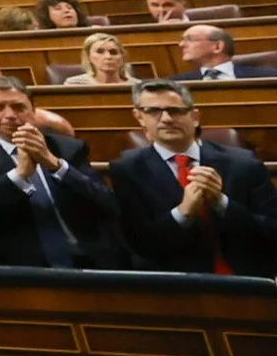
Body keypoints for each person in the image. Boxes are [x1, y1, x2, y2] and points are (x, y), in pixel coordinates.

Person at [0, 77, 123, 269]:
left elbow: (106, 202)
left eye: (18, 107)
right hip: (19, 265)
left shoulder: (67, 148)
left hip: (87, 256)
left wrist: (56, 165)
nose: (10, 115)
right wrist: (19, 176)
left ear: (32, 109)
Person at [110, 79, 277, 276]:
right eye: (154, 111)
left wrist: (222, 203)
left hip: (249, 280)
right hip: (177, 285)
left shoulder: (244, 163)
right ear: (139, 117)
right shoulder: (127, 170)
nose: (166, 119)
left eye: (175, 111)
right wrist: (182, 213)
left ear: (195, 116)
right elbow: (139, 244)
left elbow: (271, 232)